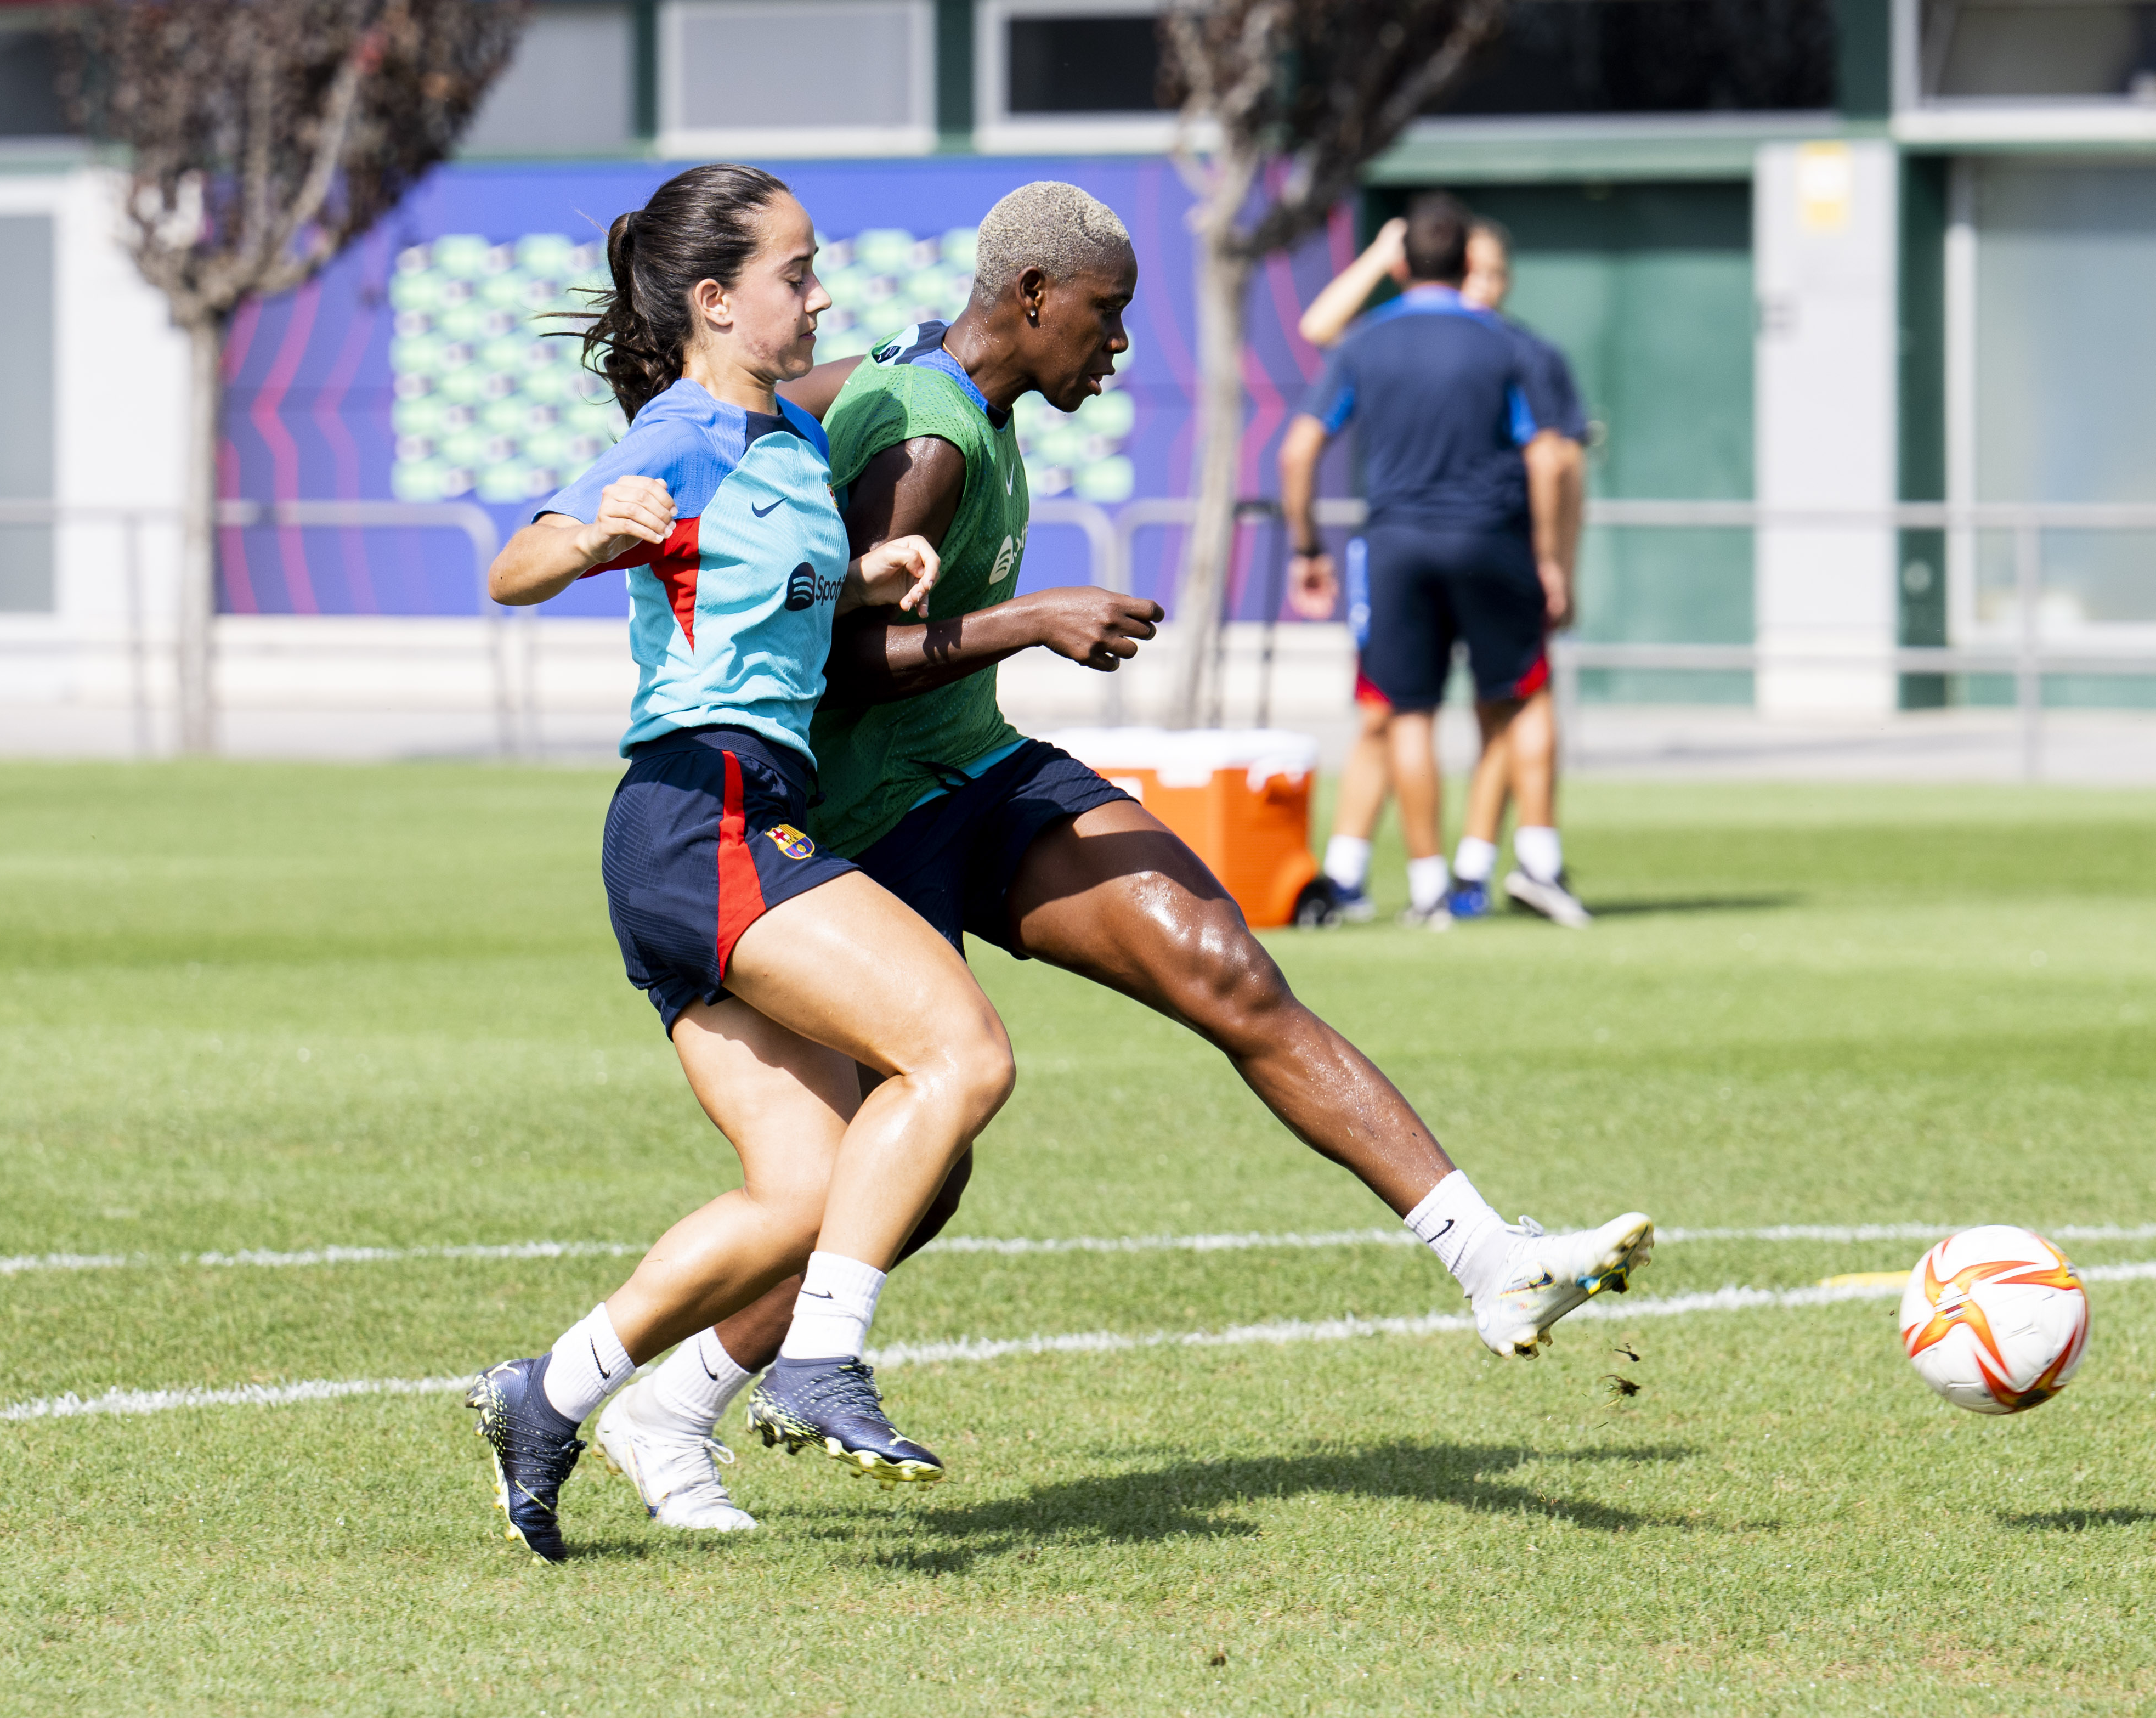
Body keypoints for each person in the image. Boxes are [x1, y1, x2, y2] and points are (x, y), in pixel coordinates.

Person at [593, 180, 1655, 1532]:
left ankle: (1490, 1258)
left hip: (974, 769)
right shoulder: (925, 444)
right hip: (860, 820)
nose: (1117, 345)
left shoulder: (946, 380)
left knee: (1224, 968)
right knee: (906, 1178)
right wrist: (1029, 618)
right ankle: (662, 1403)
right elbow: (834, 662)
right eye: (1106, 314)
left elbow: (853, 380)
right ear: (1033, 298)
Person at [464, 163, 1002, 1563]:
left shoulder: (781, 444)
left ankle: (554, 1391)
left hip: (717, 822)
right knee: (959, 1054)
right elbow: (514, 566)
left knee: (803, 1189)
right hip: (700, 814)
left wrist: (867, 577)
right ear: (715, 301)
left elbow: (771, 609)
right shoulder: (690, 428)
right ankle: (820, 1360)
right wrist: (591, 535)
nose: (821, 295)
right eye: (797, 273)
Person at [1277, 194, 1566, 931]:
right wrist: (1551, 557)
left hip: (1397, 542)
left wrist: (1308, 549)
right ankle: (1532, 860)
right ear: (1471, 264)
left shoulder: (1370, 342)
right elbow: (1552, 458)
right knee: (1522, 695)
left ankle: (1433, 883)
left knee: (1406, 713)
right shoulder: (1507, 346)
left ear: (1402, 262)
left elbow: (1298, 450)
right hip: (1491, 537)